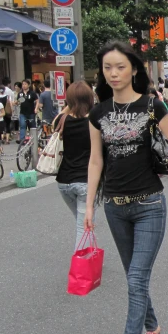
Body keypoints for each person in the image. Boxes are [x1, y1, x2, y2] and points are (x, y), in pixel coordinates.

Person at [84, 42, 168, 334]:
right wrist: (89, 206)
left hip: (149, 205)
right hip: (114, 207)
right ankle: (153, 327)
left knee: (135, 278)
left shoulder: (151, 105)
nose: (113, 74)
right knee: (136, 281)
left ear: (133, 68)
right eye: (107, 68)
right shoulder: (98, 112)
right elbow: (96, 161)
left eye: (119, 67)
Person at [56, 81, 95, 249]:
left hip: (64, 181)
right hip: (86, 182)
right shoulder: (94, 123)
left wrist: (69, 105)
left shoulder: (62, 121)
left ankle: (91, 252)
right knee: (83, 224)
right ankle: (81, 267)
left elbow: (55, 122)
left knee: (84, 220)